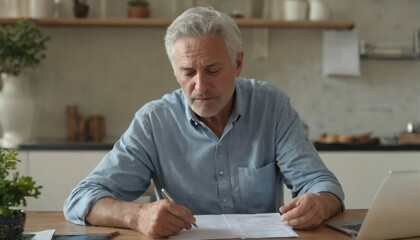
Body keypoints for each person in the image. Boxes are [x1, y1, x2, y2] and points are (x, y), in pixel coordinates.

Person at [64, 6, 344, 239]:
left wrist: (319, 203)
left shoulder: (272, 107)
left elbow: (322, 184)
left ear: (237, 64)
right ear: (175, 72)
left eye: (212, 70)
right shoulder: (153, 121)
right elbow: (80, 199)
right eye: (187, 72)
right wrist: (137, 215)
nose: (200, 85)